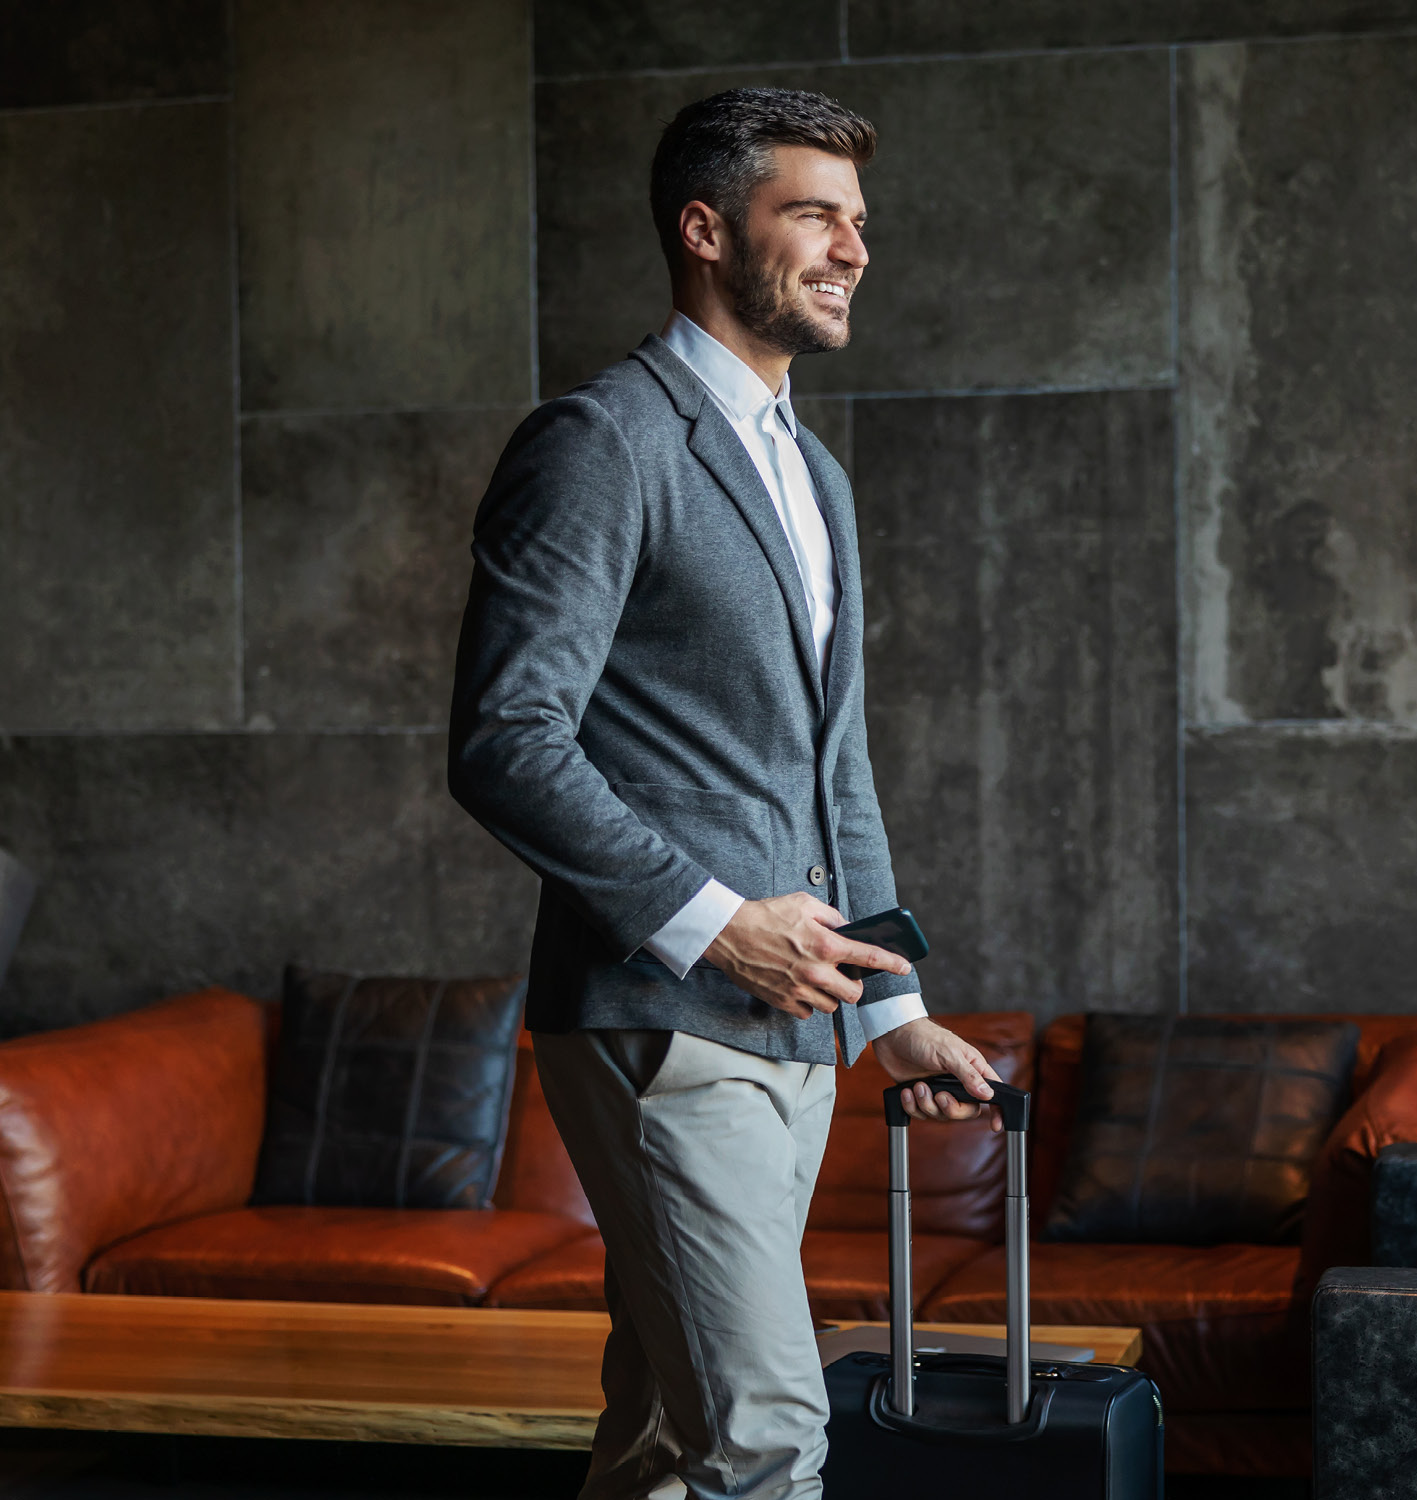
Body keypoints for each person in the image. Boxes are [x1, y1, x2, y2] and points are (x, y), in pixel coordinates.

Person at [449, 87, 1001, 1500]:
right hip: (665, 1021)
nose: (855, 248)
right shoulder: (601, 442)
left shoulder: (810, 471)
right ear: (706, 230)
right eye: (814, 212)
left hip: (795, 1032)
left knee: (659, 1438)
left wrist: (896, 1012)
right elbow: (507, 740)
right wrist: (712, 925)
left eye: (859, 221)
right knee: (766, 1440)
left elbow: (834, 770)